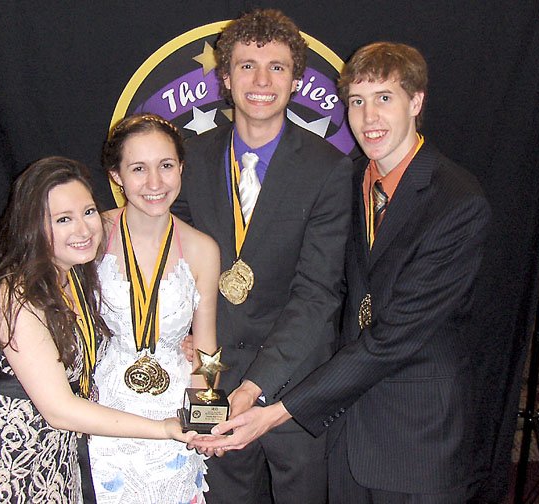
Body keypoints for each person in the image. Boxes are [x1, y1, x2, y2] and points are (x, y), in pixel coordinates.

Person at [193, 42, 492, 504]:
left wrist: (276, 411)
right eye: (357, 101)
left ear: (416, 102)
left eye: (385, 99)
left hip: (416, 437)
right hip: (347, 431)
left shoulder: (456, 201)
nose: (369, 117)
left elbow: (392, 338)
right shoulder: (350, 179)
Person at [0, 157, 195, 504]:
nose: (84, 229)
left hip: (54, 449)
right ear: (33, 227)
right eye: (63, 219)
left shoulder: (74, 274)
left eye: (88, 212)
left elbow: (95, 347)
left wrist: (172, 343)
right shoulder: (17, 296)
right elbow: (59, 408)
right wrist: (161, 428)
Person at [172, 8, 353, 504]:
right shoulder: (190, 158)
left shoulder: (330, 170)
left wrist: (254, 388)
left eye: (276, 67)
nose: (261, 80)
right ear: (225, 78)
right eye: (246, 65)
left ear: (296, 80)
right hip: (211, 376)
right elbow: (175, 256)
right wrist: (184, 331)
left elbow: (317, 295)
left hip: (291, 382)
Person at [88, 114, 219, 504]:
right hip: (103, 407)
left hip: (175, 414)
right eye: (138, 169)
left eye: (165, 166)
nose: (155, 183)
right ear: (116, 176)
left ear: (180, 167)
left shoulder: (203, 249)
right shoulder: (90, 235)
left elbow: (208, 352)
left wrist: (206, 425)